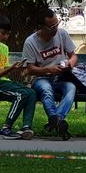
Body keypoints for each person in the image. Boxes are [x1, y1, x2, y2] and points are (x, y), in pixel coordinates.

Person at [22, 8, 77, 140]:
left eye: (57, 24)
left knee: (71, 88)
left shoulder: (62, 34)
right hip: (40, 78)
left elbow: (74, 56)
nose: (56, 28)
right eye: (52, 26)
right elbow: (29, 69)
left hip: (61, 76)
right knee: (46, 89)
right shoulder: (31, 42)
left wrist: (69, 64)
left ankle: (56, 119)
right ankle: (57, 121)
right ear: (41, 27)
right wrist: (49, 70)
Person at [0, 15, 36, 140]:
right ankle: (5, 128)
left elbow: (2, 70)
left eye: (8, 34)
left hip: (3, 82)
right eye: (3, 33)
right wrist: (10, 68)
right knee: (21, 95)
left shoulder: (4, 48)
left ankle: (26, 127)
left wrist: (17, 69)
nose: (6, 36)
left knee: (31, 92)